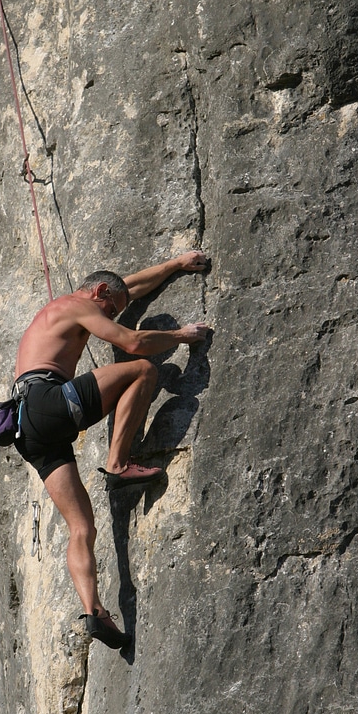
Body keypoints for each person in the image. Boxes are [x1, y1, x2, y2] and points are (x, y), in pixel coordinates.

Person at [12, 251, 210, 649]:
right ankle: (118, 463)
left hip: (24, 426)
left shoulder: (77, 305)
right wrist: (181, 337)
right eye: (111, 309)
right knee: (143, 369)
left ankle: (95, 611)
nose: (113, 316)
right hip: (46, 401)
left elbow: (129, 287)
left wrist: (174, 265)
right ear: (97, 292)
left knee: (82, 527)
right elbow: (133, 341)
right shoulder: (77, 305)